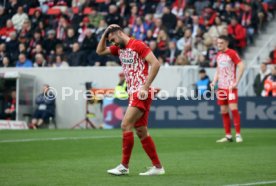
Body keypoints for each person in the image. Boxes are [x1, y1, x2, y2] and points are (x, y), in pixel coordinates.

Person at [96, 24, 164, 176]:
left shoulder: (138, 45)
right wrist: (105, 34)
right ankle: (158, 167)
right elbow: (99, 51)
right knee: (141, 131)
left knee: (125, 125)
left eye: (113, 38)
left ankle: (124, 166)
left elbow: (156, 64)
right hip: (133, 92)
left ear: (120, 33)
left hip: (141, 92)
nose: (112, 43)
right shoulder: (119, 48)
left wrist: (145, 87)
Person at [211, 35, 245, 143]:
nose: (219, 45)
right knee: (223, 110)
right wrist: (214, 81)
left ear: (226, 43)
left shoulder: (232, 53)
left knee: (233, 109)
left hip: (230, 87)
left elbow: (241, 66)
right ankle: (228, 136)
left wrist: (236, 81)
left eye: (221, 43)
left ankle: (238, 134)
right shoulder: (219, 55)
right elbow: (218, 70)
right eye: (218, 43)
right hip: (221, 87)